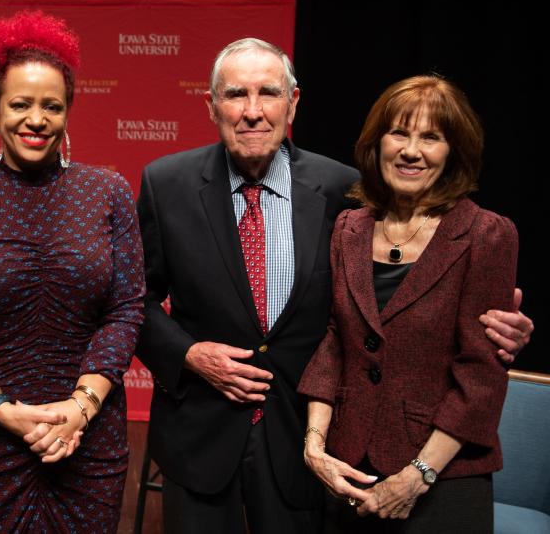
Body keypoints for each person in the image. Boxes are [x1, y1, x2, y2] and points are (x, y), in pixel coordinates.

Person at [134, 39, 532, 534]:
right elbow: (134, 302)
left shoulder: (344, 193)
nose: (253, 112)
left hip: (306, 438)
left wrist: (498, 328)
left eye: (269, 94)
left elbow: (397, 300)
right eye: (236, 94)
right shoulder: (164, 184)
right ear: (211, 106)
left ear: (293, 102)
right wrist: (189, 355)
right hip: (200, 432)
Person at [0, 10, 145, 533]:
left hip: (85, 440)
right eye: (20, 104)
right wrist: (3, 409)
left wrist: (79, 409)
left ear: (68, 114)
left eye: (51, 106)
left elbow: (126, 310)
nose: (35, 119)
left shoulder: (108, 194)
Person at [298, 76, 517, 532]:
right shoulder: (349, 228)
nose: (411, 150)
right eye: (399, 133)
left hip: (443, 478)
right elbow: (337, 342)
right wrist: (315, 446)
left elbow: (481, 373)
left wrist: (417, 477)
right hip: (349, 472)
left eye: (431, 137)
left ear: (454, 151)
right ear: (377, 143)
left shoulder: (487, 235)